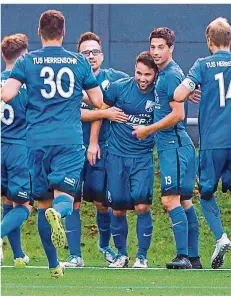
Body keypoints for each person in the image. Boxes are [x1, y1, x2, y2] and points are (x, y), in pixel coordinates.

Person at [1, 10, 103, 278]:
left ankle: (53, 265)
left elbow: (8, 94)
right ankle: (60, 214)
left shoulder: (27, 61)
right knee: (63, 200)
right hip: (67, 140)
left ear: (38, 32)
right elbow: (97, 100)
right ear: (64, 32)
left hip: (35, 142)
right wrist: (73, 92)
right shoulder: (78, 62)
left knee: (43, 204)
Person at [133, 27, 201, 269]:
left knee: (170, 200)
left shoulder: (170, 75)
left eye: (161, 47)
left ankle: (183, 255)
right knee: (183, 201)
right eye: (153, 47)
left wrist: (148, 129)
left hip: (173, 144)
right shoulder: (165, 74)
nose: (156, 51)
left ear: (171, 48)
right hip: (172, 146)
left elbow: (178, 114)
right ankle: (193, 257)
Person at [63, 32, 129, 268]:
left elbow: (146, 85)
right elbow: (74, 113)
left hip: (104, 149)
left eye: (95, 52)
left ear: (102, 54)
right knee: (71, 200)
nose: (91, 56)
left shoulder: (117, 79)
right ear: (78, 56)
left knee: (103, 203)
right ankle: (74, 255)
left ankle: (105, 246)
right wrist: (104, 112)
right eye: (85, 53)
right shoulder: (68, 79)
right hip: (70, 148)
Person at [89, 51, 157, 268]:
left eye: (147, 74)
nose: (142, 78)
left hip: (142, 158)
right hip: (116, 157)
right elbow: (100, 112)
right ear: (134, 70)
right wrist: (93, 142)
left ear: (155, 74)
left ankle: (142, 257)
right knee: (117, 209)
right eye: (139, 73)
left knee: (142, 206)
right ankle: (121, 254)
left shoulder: (159, 93)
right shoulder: (119, 88)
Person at [174, 17, 231, 269]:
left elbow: (178, 94)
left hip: (213, 142)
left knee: (206, 193)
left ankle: (221, 237)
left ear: (209, 41)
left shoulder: (203, 65)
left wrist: (196, 89)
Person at [1, 33, 32, 268]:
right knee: (23, 206)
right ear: (24, 56)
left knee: (8, 201)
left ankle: (18, 254)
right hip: (19, 148)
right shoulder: (26, 85)